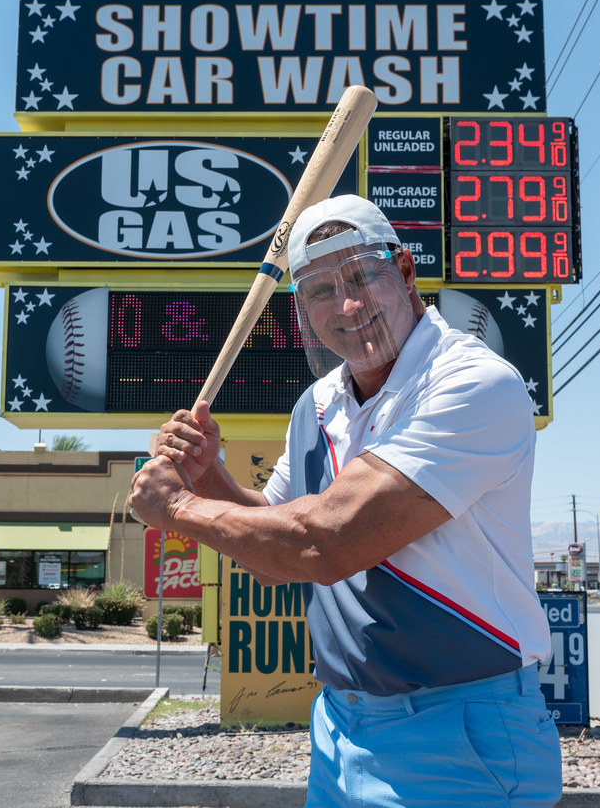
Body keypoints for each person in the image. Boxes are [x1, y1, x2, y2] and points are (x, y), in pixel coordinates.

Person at [130, 194, 563, 808]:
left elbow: (323, 543)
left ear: (407, 272)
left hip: (462, 727)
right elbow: (270, 544)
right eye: (323, 291)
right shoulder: (317, 404)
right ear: (302, 310)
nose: (349, 305)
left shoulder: (473, 383)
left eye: (363, 276)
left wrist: (179, 509)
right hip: (339, 723)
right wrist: (209, 479)